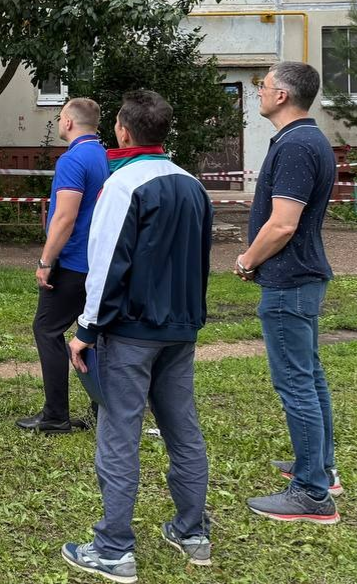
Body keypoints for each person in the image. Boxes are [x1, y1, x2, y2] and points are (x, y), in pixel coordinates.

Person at [63, 90, 213, 584]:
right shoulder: (193, 184)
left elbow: (106, 262)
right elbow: (200, 258)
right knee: (182, 429)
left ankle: (113, 549)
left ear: (123, 131)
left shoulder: (123, 184)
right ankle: (193, 533)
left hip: (130, 331)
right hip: (181, 329)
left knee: (119, 433)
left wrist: (86, 329)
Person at [236, 62, 342, 523]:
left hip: (289, 280)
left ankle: (312, 494)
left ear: (282, 95)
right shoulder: (306, 139)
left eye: (262, 85)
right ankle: (320, 468)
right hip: (301, 277)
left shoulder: (297, 145)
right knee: (310, 376)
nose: (258, 92)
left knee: (297, 382)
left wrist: (248, 259)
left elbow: (283, 224)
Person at [18, 97, 108, 434]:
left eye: (60, 117)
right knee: (96, 333)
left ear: (68, 122)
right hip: (99, 262)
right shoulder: (104, 156)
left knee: (47, 330)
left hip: (72, 262)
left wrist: (46, 260)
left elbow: (65, 217)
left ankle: (55, 415)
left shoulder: (73, 159)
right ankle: (104, 410)